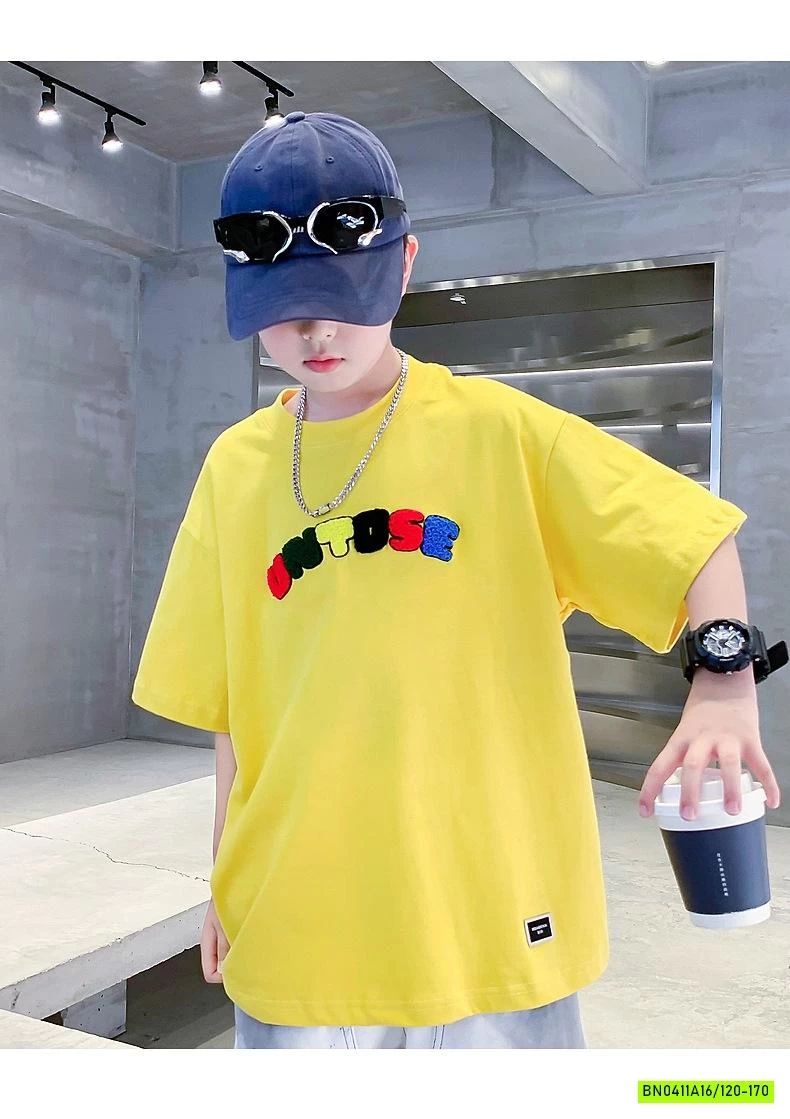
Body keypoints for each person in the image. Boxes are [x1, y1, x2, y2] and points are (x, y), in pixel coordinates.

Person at [131, 111, 749, 1049]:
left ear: (405, 263)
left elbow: (694, 542)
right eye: (286, 305)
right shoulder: (235, 467)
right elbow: (235, 712)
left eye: (343, 296)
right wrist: (225, 880)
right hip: (297, 920)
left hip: (487, 917)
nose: (316, 329)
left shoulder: (501, 433)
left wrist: (724, 686)